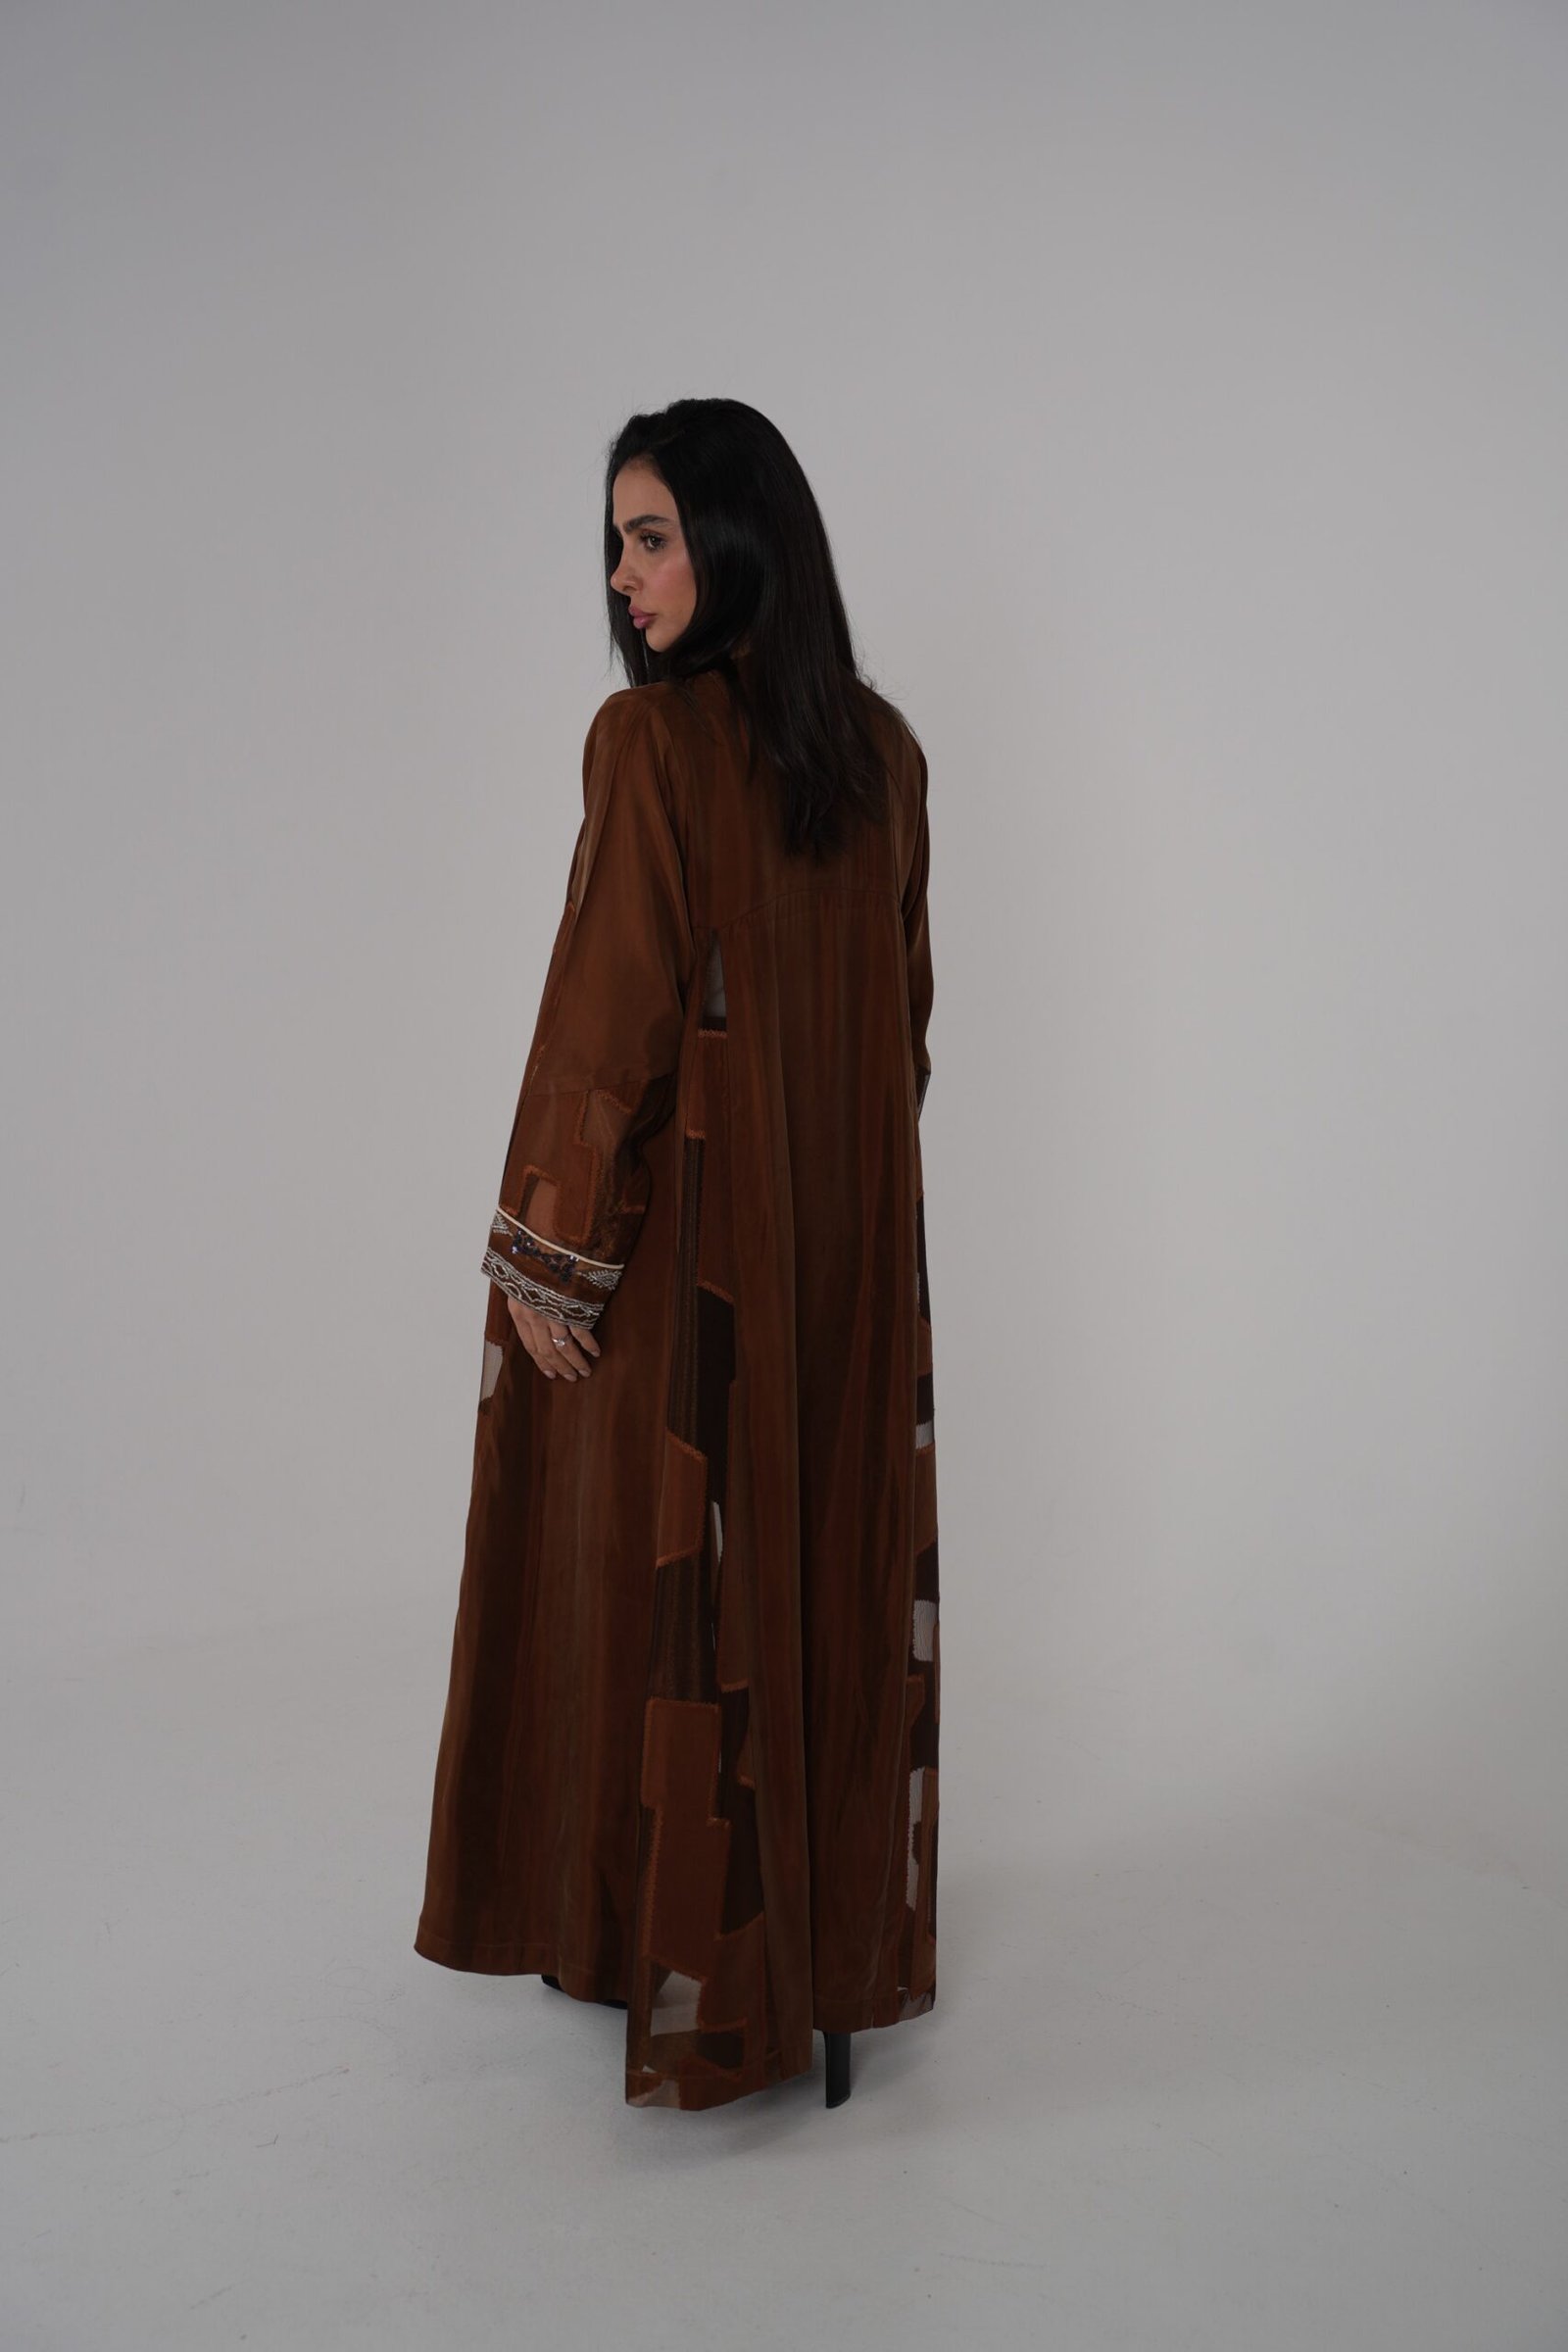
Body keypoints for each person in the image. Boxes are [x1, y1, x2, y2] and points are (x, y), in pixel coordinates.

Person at [414, 397, 939, 2112]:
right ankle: (814, 1956)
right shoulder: (885, 756)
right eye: (616, 543)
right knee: (810, 1575)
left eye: (651, 537)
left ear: (738, 540)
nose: (623, 577)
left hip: (689, 1271)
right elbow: (903, 1035)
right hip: (840, 1272)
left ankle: (658, 1941)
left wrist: (546, 1253)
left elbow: (611, 1019)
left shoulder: (648, 746)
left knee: (656, 1579)